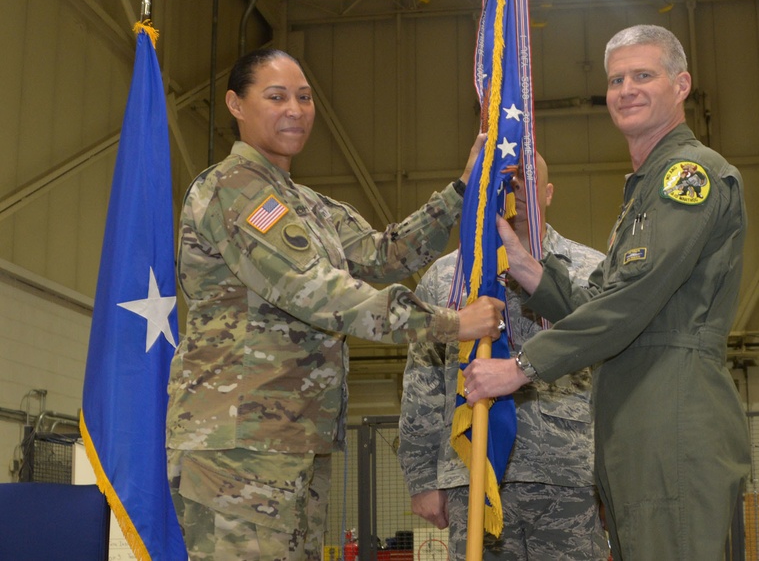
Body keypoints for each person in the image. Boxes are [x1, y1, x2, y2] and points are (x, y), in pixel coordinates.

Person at [165, 47, 505, 561]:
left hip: (295, 440)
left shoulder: (310, 206)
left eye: (304, 98)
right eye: (276, 96)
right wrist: (450, 324)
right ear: (236, 105)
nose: (295, 110)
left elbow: (385, 254)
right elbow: (317, 291)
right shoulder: (233, 189)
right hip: (238, 444)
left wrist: (463, 188)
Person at [463, 25, 751, 560]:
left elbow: (633, 301)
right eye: (616, 79)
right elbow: (604, 300)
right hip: (634, 415)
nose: (626, 89)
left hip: (673, 412)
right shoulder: (642, 189)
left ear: (681, 84)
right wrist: (530, 270)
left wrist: (520, 367)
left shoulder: (688, 177)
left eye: (644, 75)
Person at [397, 152, 607, 561]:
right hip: (473, 476)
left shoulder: (589, 271)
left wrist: (614, 480)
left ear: (548, 193)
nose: (515, 190)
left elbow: (612, 379)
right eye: (506, 181)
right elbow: (422, 383)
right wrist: (422, 478)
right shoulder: (446, 278)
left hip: (570, 477)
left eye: (527, 181)